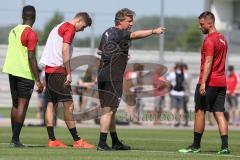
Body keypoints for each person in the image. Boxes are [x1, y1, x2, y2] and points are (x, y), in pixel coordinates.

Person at [97, 8, 165, 151]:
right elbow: (135, 35)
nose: (131, 23)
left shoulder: (107, 32)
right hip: (113, 76)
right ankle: (102, 144)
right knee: (108, 111)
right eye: (129, 21)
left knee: (111, 110)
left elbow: (100, 52)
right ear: (120, 21)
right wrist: (153, 31)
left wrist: (118, 54)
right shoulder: (119, 32)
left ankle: (115, 141)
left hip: (103, 74)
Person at [39, 12, 94, 148]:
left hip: (49, 70)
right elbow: (65, 50)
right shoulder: (69, 28)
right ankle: (77, 140)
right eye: (83, 26)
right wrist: (68, 73)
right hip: (58, 71)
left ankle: (52, 140)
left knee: (51, 104)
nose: (82, 30)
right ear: (79, 20)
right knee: (69, 105)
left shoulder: (58, 26)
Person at [179, 11, 230, 154]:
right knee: (219, 113)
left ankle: (196, 146)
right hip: (221, 82)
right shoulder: (223, 39)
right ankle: (225, 147)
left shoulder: (209, 40)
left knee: (200, 111)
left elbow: (208, 62)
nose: (199, 27)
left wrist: (203, 83)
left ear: (210, 23)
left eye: (201, 24)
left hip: (210, 82)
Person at [2, 5, 43, 147]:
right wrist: (38, 80)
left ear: (22, 16)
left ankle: (14, 139)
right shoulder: (31, 33)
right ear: (34, 17)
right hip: (24, 73)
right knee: (22, 106)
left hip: (11, 71)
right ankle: (15, 140)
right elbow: (31, 56)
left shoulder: (13, 30)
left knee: (15, 105)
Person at [167, 62, 186, 127]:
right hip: (181, 93)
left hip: (174, 92)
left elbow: (167, 81)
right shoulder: (184, 74)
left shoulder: (172, 74)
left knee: (173, 108)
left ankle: (172, 122)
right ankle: (180, 123)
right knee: (181, 109)